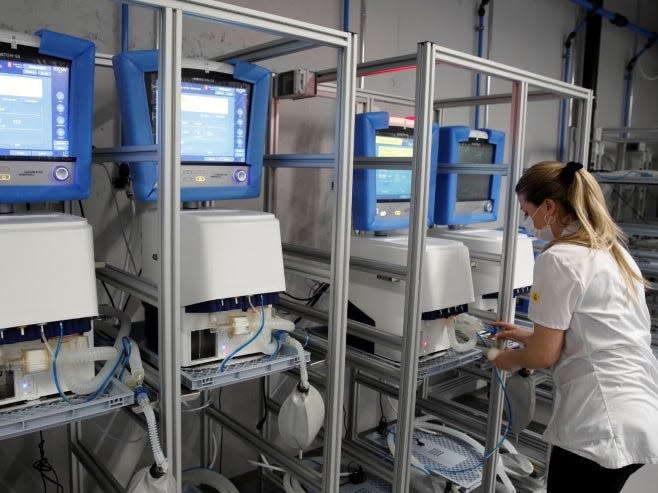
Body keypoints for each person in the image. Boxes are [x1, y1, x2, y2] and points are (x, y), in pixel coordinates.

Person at [490, 160, 658, 493]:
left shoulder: (559, 258)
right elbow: (596, 329)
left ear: (549, 207)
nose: (529, 222)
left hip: (599, 423)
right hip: (637, 407)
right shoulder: (612, 251)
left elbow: (543, 357)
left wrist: (509, 358)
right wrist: (530, 336)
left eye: (528, 212)